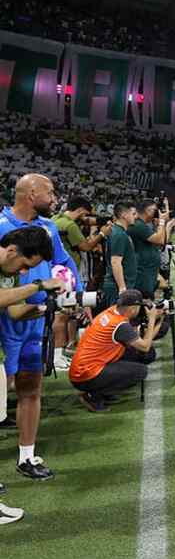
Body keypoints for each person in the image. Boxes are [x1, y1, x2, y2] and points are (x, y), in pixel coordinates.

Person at [0, 174, 81, 481]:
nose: (55, 197)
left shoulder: (47, 227)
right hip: (7, 323)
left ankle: (26, 456)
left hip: (35, 320)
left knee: (32, 389)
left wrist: (76, 294)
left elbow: (64, 261)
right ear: (32, 193)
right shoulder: (2, 228)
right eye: (50, 192)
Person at [0, 225, 67, 525]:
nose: (25, 270)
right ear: (13, 251)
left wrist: (42, 307)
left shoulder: (9, 270)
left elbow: (12, 311)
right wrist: (39, 285)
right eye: (26, 265)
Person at [68, 289, 164, 413]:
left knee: (147, 355)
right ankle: (93, 395)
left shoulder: (113, 311)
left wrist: (157, 320)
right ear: (132, 309)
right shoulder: (119, 325)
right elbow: (144, 345)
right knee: (141, 371)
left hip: (84, 367)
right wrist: (152, 320)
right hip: (85, 376)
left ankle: (104, 390)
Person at [50, 198, 105, 371]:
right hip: (67, 273)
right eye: (86, 215)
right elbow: (86, 246)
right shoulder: (70, 226)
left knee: (64, 313)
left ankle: (61, 350)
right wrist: (102, 234)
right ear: (81, 210)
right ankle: (57, 356)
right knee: (63, 314)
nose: (87, 219)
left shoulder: (53, 220)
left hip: (53, 272)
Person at [130, 199, 175, 298]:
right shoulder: (138, 225)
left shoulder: (143, 225)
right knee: (145, 301)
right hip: (142, 272)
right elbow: (160, 240)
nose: (157, 213)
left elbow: (160, 244)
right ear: (147, 210)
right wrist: (162, 222)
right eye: (155, 210)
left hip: (147, 271)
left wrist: (167, 228)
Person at [103, 202, 138, 311]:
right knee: (118, 320)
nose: (135, 217)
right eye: (133, 213)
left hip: (119, 284)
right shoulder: (119, 234)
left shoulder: (118, 232)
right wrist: (122, 288)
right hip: (117, 286)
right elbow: (116, 262)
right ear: (124, 215)